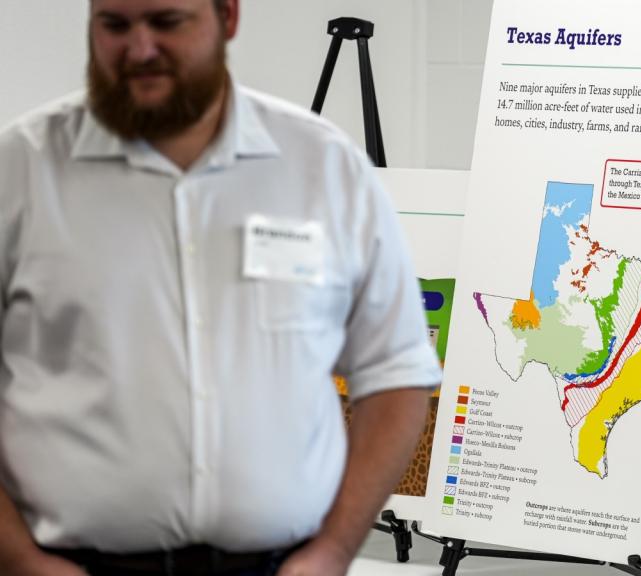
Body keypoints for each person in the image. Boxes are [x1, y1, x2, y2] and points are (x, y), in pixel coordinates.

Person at [0, 0, 440, 574]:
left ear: (227, 19)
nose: (139, 48)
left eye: (166, 21)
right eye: (114, 25)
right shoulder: (20, 171)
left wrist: (335, 548)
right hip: (67, 564)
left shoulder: (325, 169)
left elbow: (397, 375)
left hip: (279, 564)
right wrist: (16, 558)